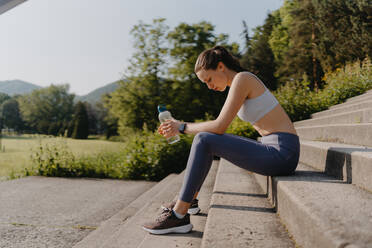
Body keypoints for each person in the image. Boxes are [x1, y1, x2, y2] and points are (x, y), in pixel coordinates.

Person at [142, 46, 300, 235]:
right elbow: (218, 129)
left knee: (204, 139)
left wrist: (181, 127)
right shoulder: (239, 83)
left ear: (220, 67)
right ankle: (188, 200)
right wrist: (180, 126)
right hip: (272, 146)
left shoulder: (243, 79)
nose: (209, 86)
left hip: (282, 153)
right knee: (206, 140)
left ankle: (178, 215)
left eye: (208, 79)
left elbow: (219, 126)